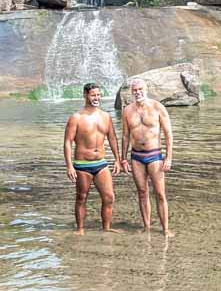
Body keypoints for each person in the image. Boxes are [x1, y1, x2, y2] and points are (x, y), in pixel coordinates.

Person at [64, 82, 122, 234]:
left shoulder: (106, 117)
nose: (96, 97)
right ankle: (80, 229)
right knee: (81, 198)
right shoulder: (76, 117)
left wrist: (117, 159)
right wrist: (69, 165)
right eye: (93, 95)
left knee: (109, 197)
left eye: (98, 95)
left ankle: (107, 228)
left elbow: (113, 139)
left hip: (101, 163)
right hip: (82, 164)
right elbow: (68, 142)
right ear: (85, 95)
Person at [120, 78, 174, 237]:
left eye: (140, 89)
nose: (138, 92)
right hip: (136, 157)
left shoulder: (158, 107)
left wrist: (169, 158)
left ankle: (165, 229)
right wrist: (123, 159)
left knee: (160, 193)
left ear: (146, 89)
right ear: (131, 92)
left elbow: (168, 134)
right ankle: (147, 227)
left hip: (154, 155)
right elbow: (124, 136)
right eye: (135, 90)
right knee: (142, 192)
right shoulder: (127, 111)